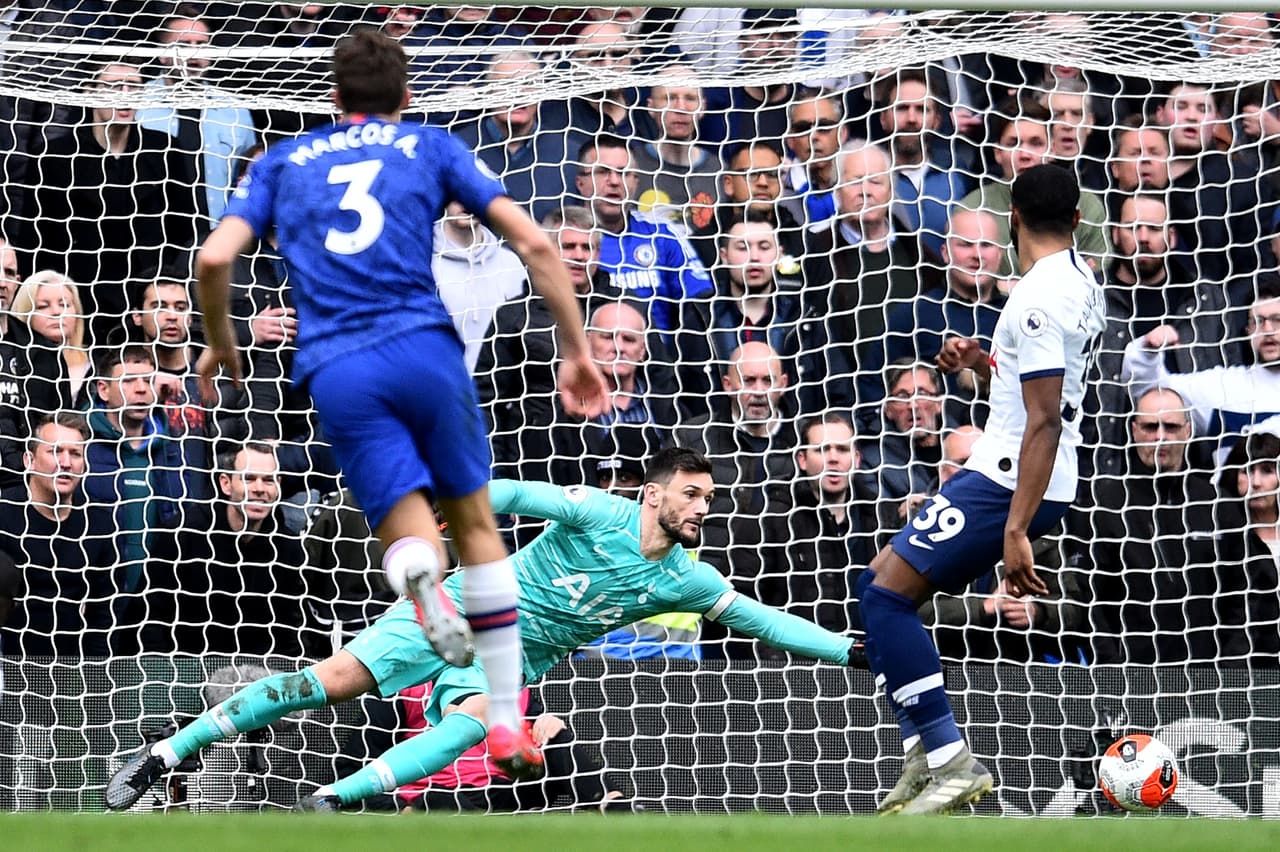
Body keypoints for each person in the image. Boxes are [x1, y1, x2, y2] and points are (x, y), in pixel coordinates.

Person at [188, 29, 608, 776]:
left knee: (411, 532)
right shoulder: (431, 147)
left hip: (338, 367)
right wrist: (576, 349)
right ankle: (508, 721)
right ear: (407, 96)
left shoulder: (285, 161)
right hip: (424, 351)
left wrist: (221, 345)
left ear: (333, 96)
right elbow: (540, 249)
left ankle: (417, 576)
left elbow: (215, 256)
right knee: (477, 527)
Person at [105, 447, 863, 813]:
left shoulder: (689, 577)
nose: (702, 508)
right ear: (653, 493)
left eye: (708, 497)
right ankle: (169, 750)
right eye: (691, 494)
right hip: (464, 604)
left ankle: (333, 800)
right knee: (324, 686)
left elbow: (762, 621)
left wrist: (845, 648)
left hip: (512, 657)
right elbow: (514, 490)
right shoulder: (597, 509)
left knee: (477, 723)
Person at [861, 164, 1105, 815]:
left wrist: (1016, 531)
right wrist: (980, 362)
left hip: (1009, 476)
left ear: (1012, 218)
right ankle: (925, 751)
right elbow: (1035, 387)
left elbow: (1046, 417)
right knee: (879, 581)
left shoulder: (1033, 300)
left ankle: (947, 758)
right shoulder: (1081, 280)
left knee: (886, 600)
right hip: (1020, 467)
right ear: (1078, 221)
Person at [1068, 388, 1248, 664]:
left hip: (1210, 680)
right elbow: (1091, 602)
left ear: (1188, 430)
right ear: (1134, 430)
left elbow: (1240, 596)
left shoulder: (1217, 505)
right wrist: (1113, 672)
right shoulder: (1105, 506)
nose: (1160, 436)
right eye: (1151, 426)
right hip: (1130, 681)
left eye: (1171, 427)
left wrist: (1230, 668)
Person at [140, 441, 316, 656]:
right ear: (226, 484)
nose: (259, 489)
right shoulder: (183, 534)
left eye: (268, 480)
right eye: (248, 478)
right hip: (186, 672)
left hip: (260, 676)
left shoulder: (288, 548)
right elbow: (150, 617)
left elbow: (293, 630)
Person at [1121, 274, 1280, 465]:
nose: (1268, 330)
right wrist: (1147, 351)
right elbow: (1151, 392)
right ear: (1247, 331)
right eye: (1258, 321)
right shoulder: (1225, 387)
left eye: (1277, 320)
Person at [0, 412, 117, 658]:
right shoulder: (4, 516)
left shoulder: (99, 525)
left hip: (73, 671)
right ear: (29, 460)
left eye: (75, 454)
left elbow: (103, 615)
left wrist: (93, 677)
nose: (66, 462)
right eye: (55, 451)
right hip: (7, 666)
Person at [573, 133, 714, 335]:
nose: (614, 181)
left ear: (635, 182)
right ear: (580, 183)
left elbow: (699, 301)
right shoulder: (565, 239)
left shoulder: (662, 233)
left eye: (623, 173)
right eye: (603, 171)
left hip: (658, 360)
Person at [136, 10, 259, 224]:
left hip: (217, 238)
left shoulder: (235, 109)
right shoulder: (137, 103)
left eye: (201, 44)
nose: (194, 54)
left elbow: (250, 176)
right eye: (183, 45)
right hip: (150, 238)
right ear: (162, 54)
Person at [432, 201, 528, 372]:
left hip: (499, 390)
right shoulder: (421, 262)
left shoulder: (510, 263)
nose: (464, 201)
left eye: (469, 194)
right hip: (442, 387)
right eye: (456, 194)